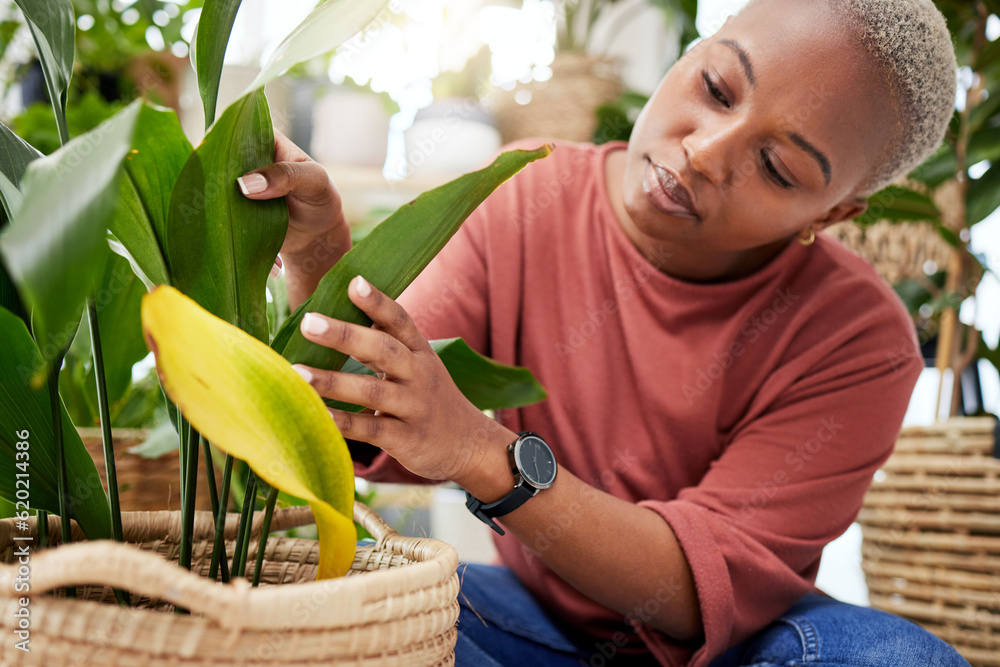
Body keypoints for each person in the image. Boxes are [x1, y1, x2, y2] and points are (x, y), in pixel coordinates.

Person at [235, 0, 971, 664]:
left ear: (831, 215)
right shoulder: (528, 192)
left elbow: (691, 591)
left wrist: (480, 452)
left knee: (897, 658)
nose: (706, 151)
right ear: (693, 51)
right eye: (716, 88)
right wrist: (314, 253)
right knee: (349, 622)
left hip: (739, 651)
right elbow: (370, 410)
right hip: (529, 619)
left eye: (777, 167)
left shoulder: (859, 338)